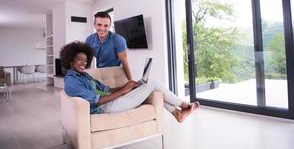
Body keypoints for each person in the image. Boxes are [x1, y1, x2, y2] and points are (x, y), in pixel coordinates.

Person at [60, 41, 200, 123]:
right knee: (154, 84)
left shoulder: (85, 76)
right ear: (70, 60)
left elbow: (107, 89)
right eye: (79, 59)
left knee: (151, 88)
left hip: (110, 102)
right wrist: (123, 91)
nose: (84, 63)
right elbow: (96, 101)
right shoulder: (71, 81)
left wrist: (126, 87)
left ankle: (177, 114)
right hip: (105, 108)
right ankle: (184, 105)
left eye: (85, 60)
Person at [85, 11, 132, 80]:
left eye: (106, 25)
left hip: (116, 74)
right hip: (100, 73)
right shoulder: (89, 39)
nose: (102, 28)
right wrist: (85, 78)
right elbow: (87, 61)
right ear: (94, 25)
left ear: (110, 26)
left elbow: (125, 63)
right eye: (99, 24)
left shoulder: (118, 40)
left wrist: (130, 81)